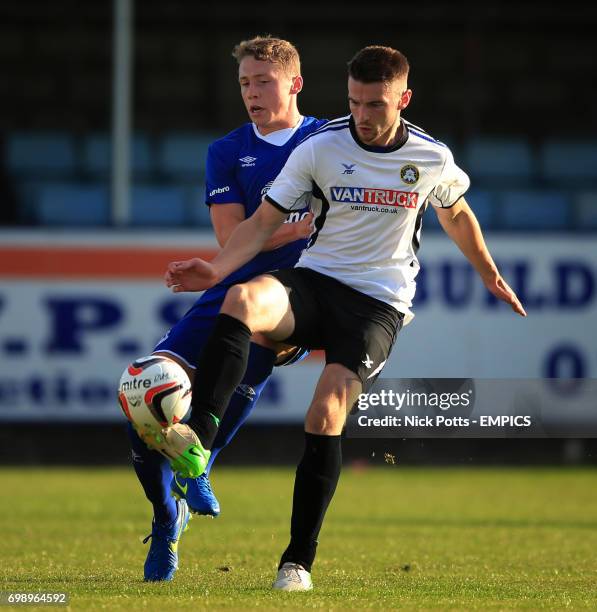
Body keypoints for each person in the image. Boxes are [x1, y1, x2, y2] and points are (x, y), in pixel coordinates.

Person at [153, 45, 527, 591]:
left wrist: (490, 273)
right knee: (241, 302)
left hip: (377, 303)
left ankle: (296, 562)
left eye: (375, 104)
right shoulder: (321, 145)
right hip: (316, 282)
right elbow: (259, 225)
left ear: (403, 98)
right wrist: (214, 271)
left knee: (326, 408)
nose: (363, 116)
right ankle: (199, 441)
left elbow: (457, 211)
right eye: (354, 102)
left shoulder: (430, 157)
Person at [129, 35, 327, 582]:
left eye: (263, 80)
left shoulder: (328, 140)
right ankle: (167, 515)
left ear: (295, 83)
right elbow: (229, 235)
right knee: (143, 390)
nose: (252, 92)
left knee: (253, 341)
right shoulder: (226, 150)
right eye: (244, 82)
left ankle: (201, 464)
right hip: (231, 282)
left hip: (292, 294)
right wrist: (292, 227)